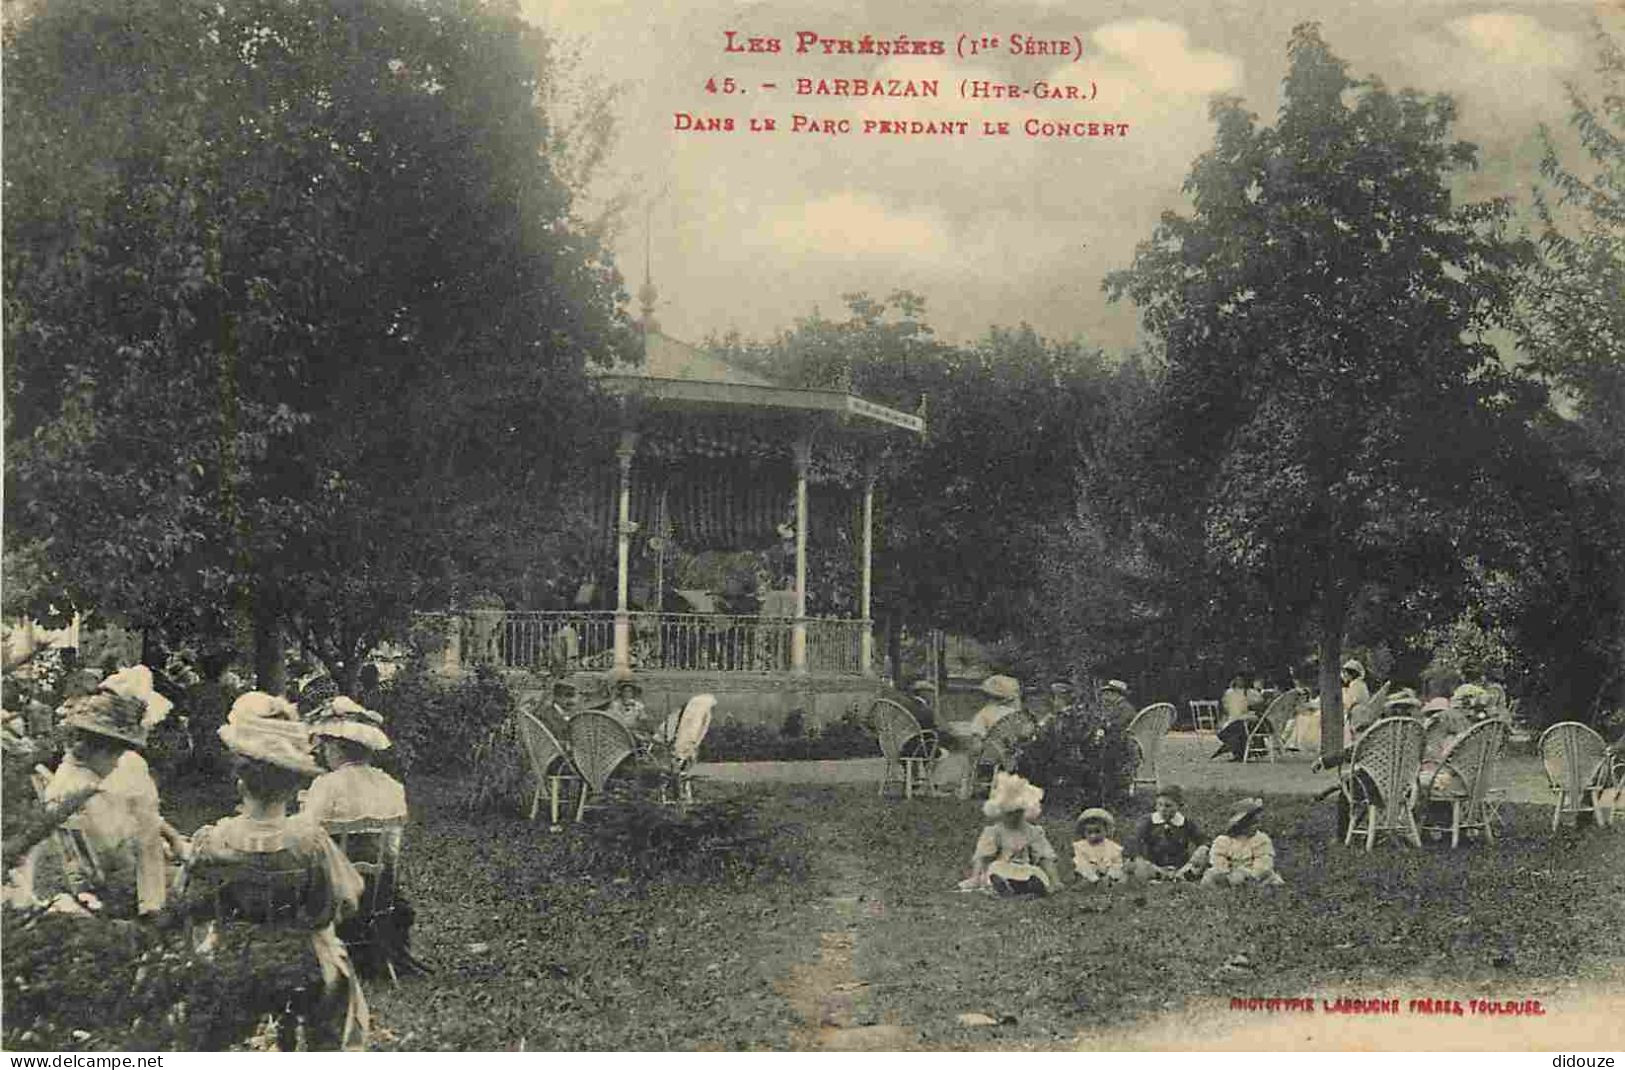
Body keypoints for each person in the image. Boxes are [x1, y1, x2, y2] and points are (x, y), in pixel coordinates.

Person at [173, 695, 369, 1050]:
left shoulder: (213, 841)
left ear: (239, 784)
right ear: (295, 789)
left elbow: (189, 904)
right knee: (333, 973)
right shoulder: (310, 842)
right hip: (302, 960)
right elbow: (344, 900)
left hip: (231, 958)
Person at [40, 666, 185, 917]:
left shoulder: (101, 771)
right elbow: (101, 865)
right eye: (115, 755)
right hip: (112, 888)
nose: (118, 761)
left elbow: (144, 823)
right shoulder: (75, 791)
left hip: (133, 868)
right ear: (97, 749)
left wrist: (167, 839)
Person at [302, 695, 418, 980]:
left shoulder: (326, 785)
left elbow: (307, 835)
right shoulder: (391, 786)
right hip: (381, 888)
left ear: (339, 749)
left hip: (335, 886)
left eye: (327, 747)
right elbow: (393, 847)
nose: (324, 753)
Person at [958, 772, 1059, 896]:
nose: (1014, 817)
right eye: (1009, 813)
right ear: (1000, 811)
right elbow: (983, 858)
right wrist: (976, 877)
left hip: (1025, 868)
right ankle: (1006, 886)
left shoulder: (1033, 831)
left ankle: (1030, 886)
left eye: (1018, 812)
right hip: (1003, 867)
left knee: (1036, 873)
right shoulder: (994, 831)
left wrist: (1055, 881)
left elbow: (1045, 857)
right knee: (995, 868)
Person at [1126, 785, 1208, 882]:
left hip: (1180, 866)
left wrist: (1200, 852)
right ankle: (1158, 877)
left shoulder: (1185, 823)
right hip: (1154, 865)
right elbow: (1134, 841)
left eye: (1168, 806)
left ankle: (1181, 877)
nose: (1163, 809)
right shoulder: (1148, 821)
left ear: (1178, 806)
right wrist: (1141, 858)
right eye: (1159, 805)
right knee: (1137, 863)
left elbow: (1203, 840)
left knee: (1204, 852)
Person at [1201, 797, 1286, 887]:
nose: (1254, 827)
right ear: (1240, 824)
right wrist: (1224, 871)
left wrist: (1253, 874)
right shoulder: (1224, 840)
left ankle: (1246, 885)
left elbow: (1263, 862)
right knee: (1210, 876)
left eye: (1256, 823)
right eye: (1251, 823)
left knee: (1262, 879)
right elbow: (1218, 858)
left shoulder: (1260, 840)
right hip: (1229, 873)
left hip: (1253, 874)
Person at [1071, 807, 1125, 885]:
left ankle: (1109, 881)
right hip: (1089, 871)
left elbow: (1117, 862)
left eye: (1098, 831)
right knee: (1081, 869)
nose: (1093, 836)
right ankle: (1092, 882)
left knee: (1119, 872)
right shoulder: (1081, 846)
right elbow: (1081, 862)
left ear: (1106, 831)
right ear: (1084, 833)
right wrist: (1093, 876)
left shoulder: (1112, 847)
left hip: (1107, 870)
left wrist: (1111, 873)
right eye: (1089, 832)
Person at [1213, 675, 1255, 761]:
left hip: (1238, 719)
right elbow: (1226, 707)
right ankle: (1239, 752)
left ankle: (1238, 752)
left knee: (1239, 729)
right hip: (1236, 719)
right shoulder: (1232, 693)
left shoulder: (1246, 693)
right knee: (1238, 729)